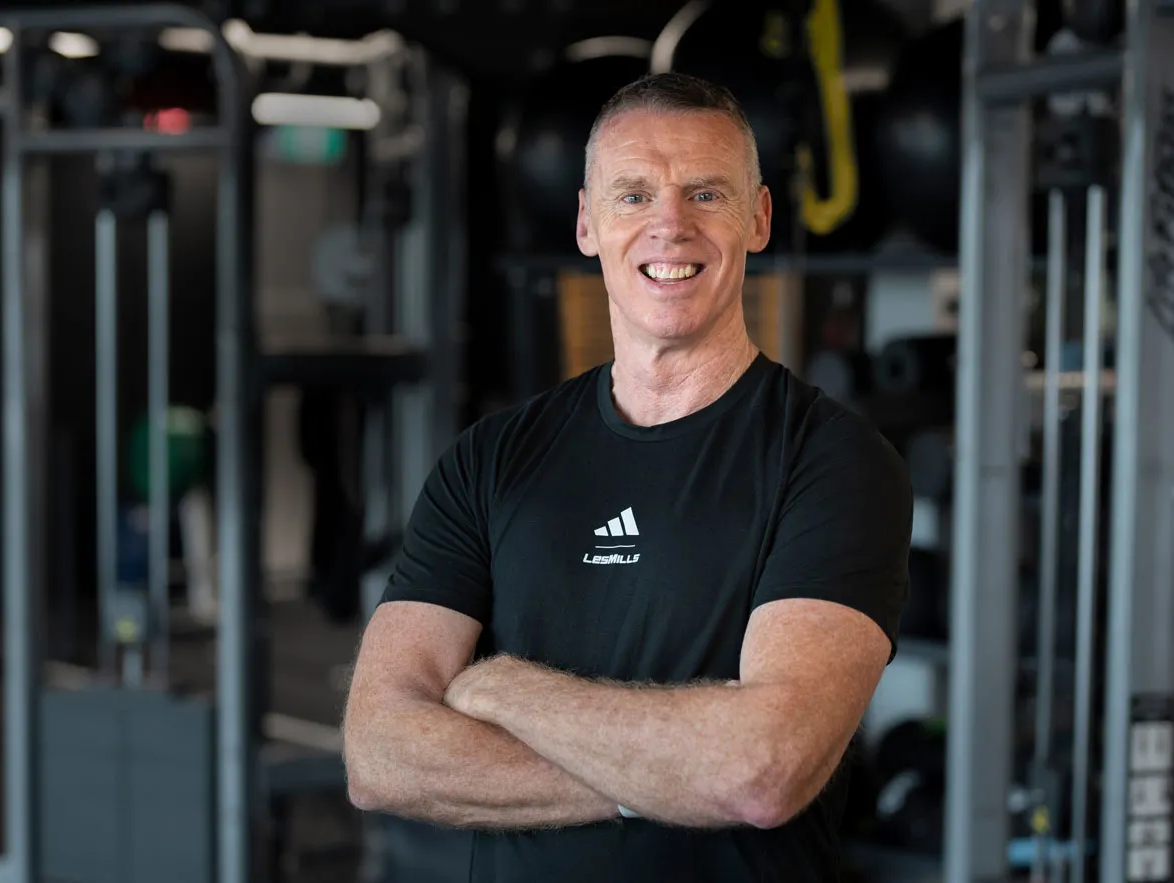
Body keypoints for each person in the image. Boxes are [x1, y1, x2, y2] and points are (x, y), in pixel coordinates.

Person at [342, 71, 912, 882]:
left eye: (705, 194)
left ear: (757, 219)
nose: (668, 226)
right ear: (586, 222)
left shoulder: (832, 462)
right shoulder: (490, 460)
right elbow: (378, 751)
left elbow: (760, 767)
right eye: (633, 195)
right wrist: (670, 772)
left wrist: (499, 689)